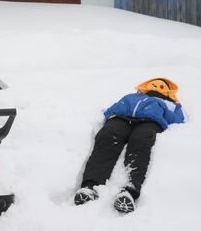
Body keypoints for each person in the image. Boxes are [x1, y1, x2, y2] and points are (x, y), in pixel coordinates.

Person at [74, 78, 185, 213]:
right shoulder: (132, 96)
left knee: (142, 140)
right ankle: (90, 186)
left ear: (168, 91)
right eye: (153, 84)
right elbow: (114, 107)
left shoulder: (170, 103)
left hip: (150, 122)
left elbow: (179, 119)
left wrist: (164, 115)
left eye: (162, 86)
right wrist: (109, 115)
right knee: (107, 136)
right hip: (120, 118)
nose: (156, 86)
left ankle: (129, 190)